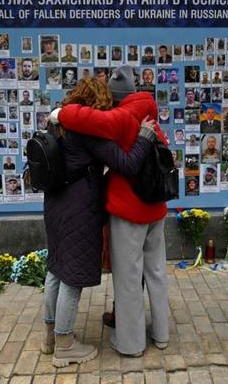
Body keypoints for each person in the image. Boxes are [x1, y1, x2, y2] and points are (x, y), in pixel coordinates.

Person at [40, 76, 157, 367]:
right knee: (71, 277)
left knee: (55, 268)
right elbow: (127, 163)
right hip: (79, 209)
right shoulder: (87, 132)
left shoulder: (56, 123)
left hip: (54, 205)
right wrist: (144, 136)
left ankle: (50, 337)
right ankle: (65, 345)